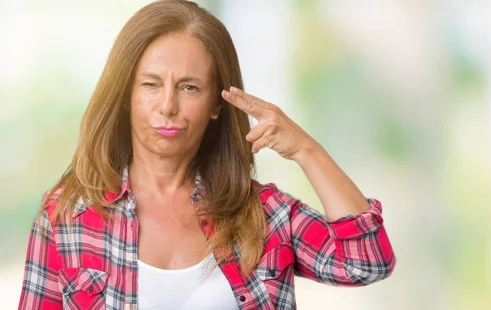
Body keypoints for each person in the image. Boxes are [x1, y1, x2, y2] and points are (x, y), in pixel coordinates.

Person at [17, 0, 396, 309]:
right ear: (125, 96)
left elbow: (368, 261)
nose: (167, 106)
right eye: (150, 84)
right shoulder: (67, 215)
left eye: (190, 87)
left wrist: (307, 150)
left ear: (217, 103)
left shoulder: (263, 216)